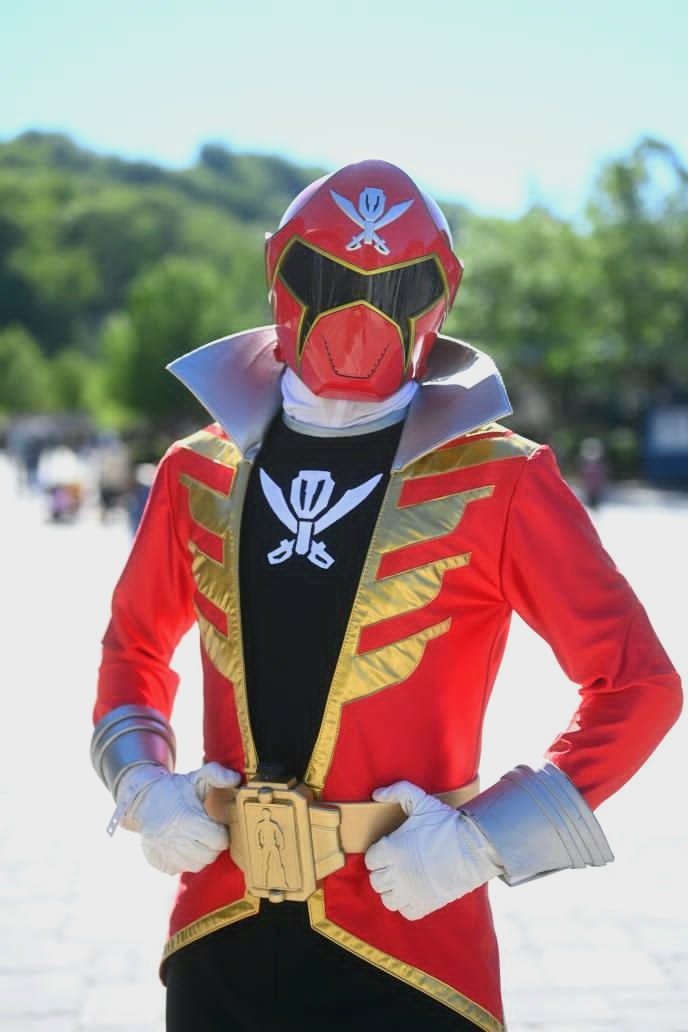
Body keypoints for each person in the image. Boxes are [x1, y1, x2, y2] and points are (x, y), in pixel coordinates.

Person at [91, 160, 681, 1032]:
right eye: (328, 280)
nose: (359, 316)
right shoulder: (198, 470)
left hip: (411, 940)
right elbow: (133, 651)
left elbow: (639, 686)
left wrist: (483, 839)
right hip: (220, 931)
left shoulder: (501, 480)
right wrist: (143, 784)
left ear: (443, 295)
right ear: (279, 272)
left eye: (396, 288)